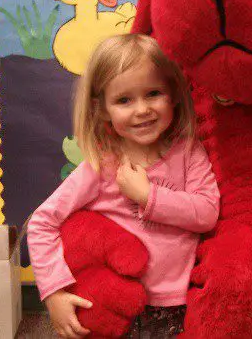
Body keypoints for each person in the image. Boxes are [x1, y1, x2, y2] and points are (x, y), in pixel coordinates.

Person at [28, 34, 220, 339]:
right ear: (102, 109)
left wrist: (148, 196)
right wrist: (54, 292)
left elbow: (207, 212)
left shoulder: (188, 152)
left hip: (178, 306)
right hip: (114, 307)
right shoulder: (101, 166)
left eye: (153, 93)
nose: (142, 109)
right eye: (124, 100)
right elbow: (42, 223)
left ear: (172, 95)